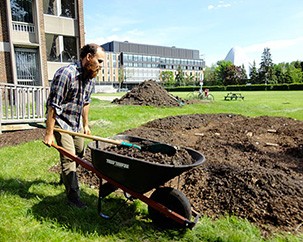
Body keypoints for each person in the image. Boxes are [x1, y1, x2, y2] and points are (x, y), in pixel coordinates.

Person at [44, 43, 105, 208]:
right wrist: (49, 133)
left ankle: (65, 177)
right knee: (69, 158)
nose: (101, 66)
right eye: (99, 61)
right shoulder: (66, 74)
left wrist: (85, 124)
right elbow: (53, 105)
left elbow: (86, 102)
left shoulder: (90, 77)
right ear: (88, 57)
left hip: (76, 123)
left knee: (79, 152)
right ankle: (73, 198)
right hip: (61, 122)